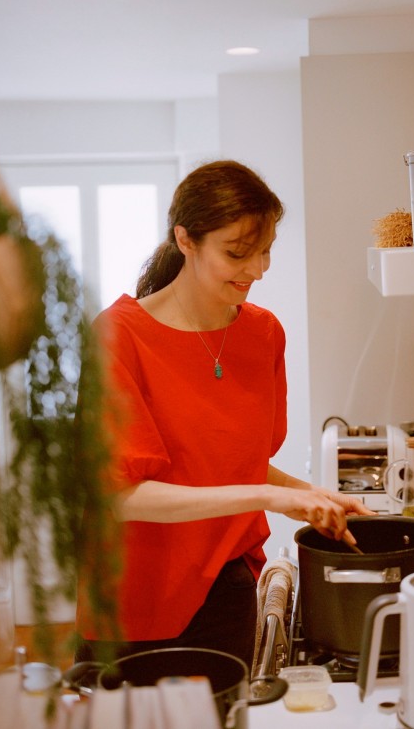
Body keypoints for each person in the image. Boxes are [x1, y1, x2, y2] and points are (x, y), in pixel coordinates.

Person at [75, 159, 373, 669]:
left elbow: (232, 462)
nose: (257, 270)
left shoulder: (264, 334)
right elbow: (121, 495)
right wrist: (271, 497)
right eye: (238, 253)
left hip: (228, 581)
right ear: (186, 240)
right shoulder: (118, 337)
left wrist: (310, 494)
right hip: (137, 598)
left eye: (265, 251)